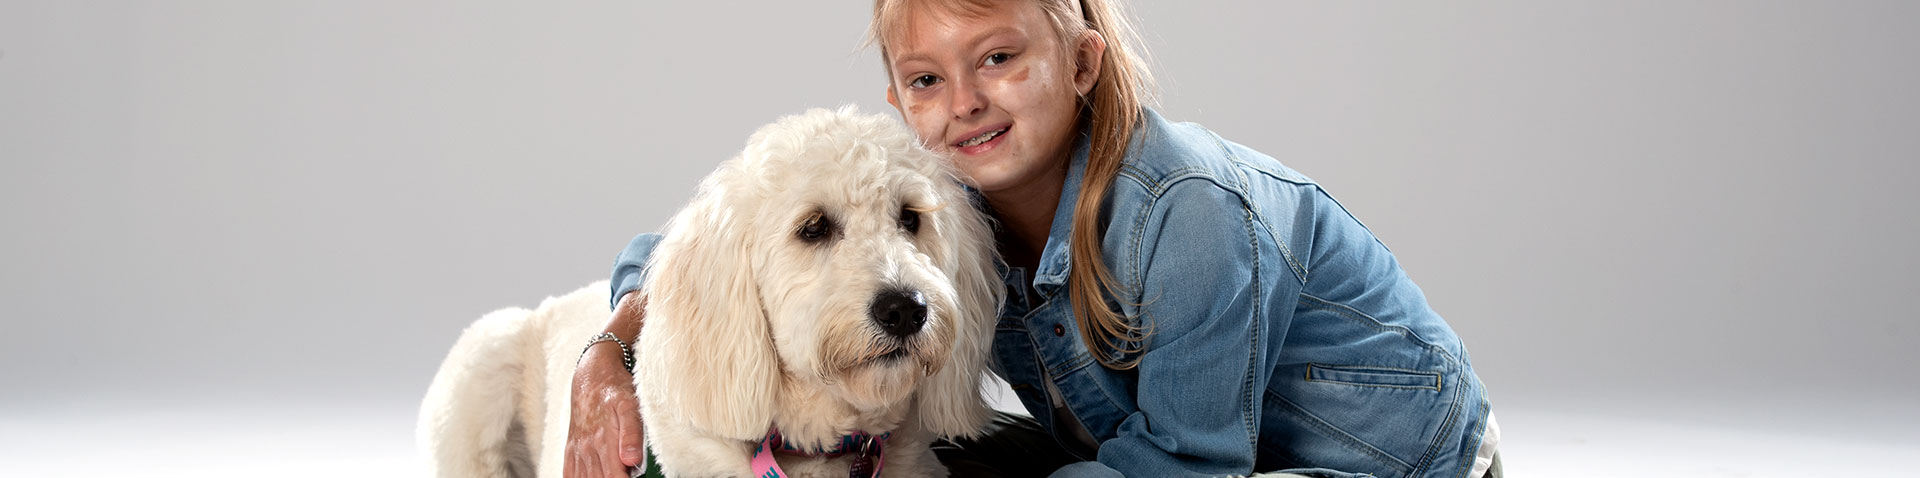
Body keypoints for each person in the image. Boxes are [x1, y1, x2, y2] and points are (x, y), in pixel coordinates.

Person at [568, 0, 1500, 477]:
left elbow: (1191, 465)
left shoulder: (1186, 213)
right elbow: (701, 246)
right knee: (940, 453)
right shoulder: (946, 197)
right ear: (899, 101)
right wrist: (607, 351)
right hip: (1150, 443)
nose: (965, 102)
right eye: (926, 80)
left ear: (1082, 61)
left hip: (1378, 458)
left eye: (999, 59)